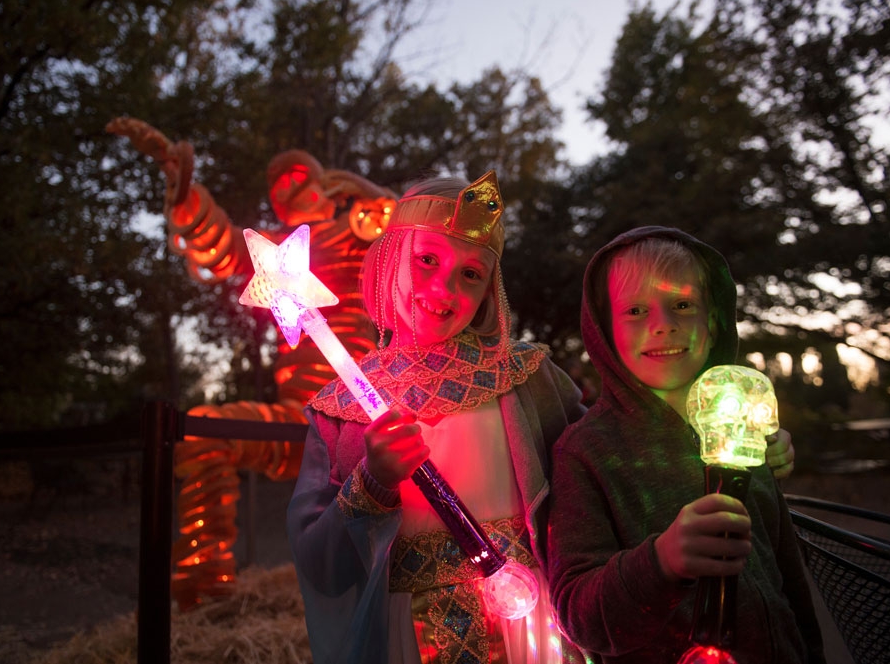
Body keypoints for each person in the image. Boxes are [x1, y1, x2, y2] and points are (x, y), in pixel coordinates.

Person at [286, 171, 590, 663]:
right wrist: (374, 482)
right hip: (406, 637)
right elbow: (323, 567)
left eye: (471, 273)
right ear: (388, 260)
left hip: (529, 629)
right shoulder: (341, 409)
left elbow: (595, 473)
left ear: (491, 290)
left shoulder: (526, 377)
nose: (443, 287)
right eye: (426, 259)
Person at [545, 226, 824, 663]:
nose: (663, 325)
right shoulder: (586, 452)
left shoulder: (744, 428)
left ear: (712, 324)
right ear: (606, 333)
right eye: (636, 310)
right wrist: (661, 562)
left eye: (681, 305)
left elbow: (786, 574)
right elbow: (579, 616)